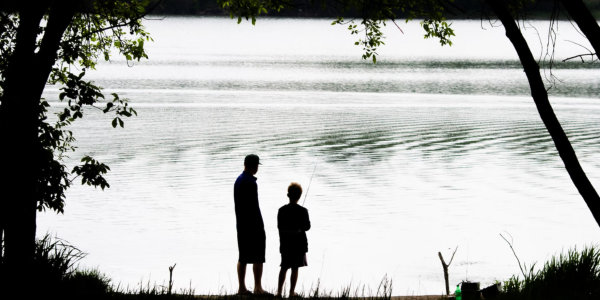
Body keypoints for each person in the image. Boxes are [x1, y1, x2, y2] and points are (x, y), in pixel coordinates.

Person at [234, 154, 271, 296]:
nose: (257, 168)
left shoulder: (238, 180)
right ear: (254, 166)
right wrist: (259, 225)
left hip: (241, 225)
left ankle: (241, 288)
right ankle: (258, 288)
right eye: (257, 166)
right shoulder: (250, 182)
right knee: (258, 256)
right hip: (253, 224)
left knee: (243, 256)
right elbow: (253, 206)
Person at [276, 182, 311, 298]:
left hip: (285, 244)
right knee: (295, 268)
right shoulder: (303, 211)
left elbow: (279, 227)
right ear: (300, 196)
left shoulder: (281, 210)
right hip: (299, 245)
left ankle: (279, 292)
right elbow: (307, 227)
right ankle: (291, 292)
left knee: (284, 267)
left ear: (288, 195)